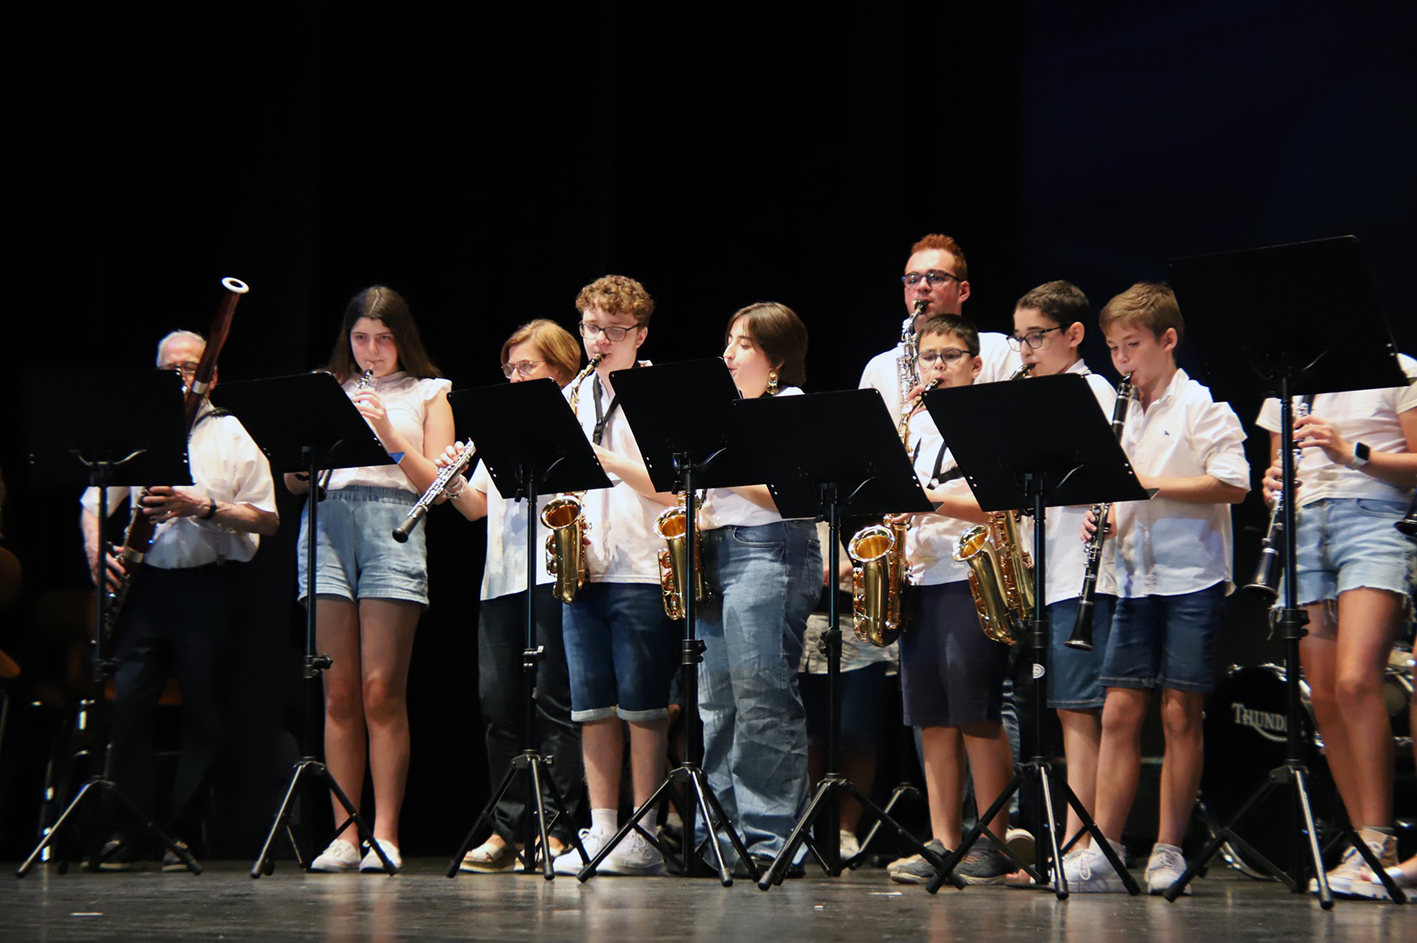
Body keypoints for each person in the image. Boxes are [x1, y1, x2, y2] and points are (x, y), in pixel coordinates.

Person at [1068, 283, 1250, 894]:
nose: (1122, 360)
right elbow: (1126, 493)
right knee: (1119, 711)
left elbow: (1233, 483)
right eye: (1114, 348)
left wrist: (1147, 485)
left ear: (1167, 340)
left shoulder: (1202, 407)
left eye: (1133, 346)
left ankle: (1170, 849)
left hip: (1191, 578)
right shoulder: (1120, 413)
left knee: (1179, 713)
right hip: (1131, 578)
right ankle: (1106, 848)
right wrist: (1108, 517)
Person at [81, 330, 279, 869]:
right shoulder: (137, 429)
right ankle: (125, 830)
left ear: (211, 377)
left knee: (203, 711)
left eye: (190, 367)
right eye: (169, 368)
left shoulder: (233, 433)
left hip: (207, 588)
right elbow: (94, 502)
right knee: (130, 708)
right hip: (145, 586)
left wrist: (204, 506)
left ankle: (181, 834)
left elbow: (267, 518)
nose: (180, 377)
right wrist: (97, 552)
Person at [290, 286, 454, 873]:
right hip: (327, 521)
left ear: (401, 339)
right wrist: (302, 444)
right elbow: (295, 482)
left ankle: (385, 834)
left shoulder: (428, 391)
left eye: (384, 338)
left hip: (393, 523)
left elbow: (437, 484)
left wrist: (386, 429)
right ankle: (344, 834)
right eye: (361, 338)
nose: (372, 350)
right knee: (337, 691)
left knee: (381, 689)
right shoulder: (328, 386)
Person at [1255, 355, 1417, 897]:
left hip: (1373, 519)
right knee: (1323, 695)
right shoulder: (1289, 382)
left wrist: (1350, 453)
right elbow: (1277, 473)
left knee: (1355, 681)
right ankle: (1362, 844)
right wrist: (1272, 484)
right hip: (1304, 527)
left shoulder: (1399, 369)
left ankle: (1380, 837)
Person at [437, 319, 586, 872]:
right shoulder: (498, 424)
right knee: (499, 707)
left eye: (527, 366)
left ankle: (558, 830)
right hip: (500, 580)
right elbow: (476, 506)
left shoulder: (578, 416)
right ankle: (510, 830)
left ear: (559, 369)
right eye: (511, 368)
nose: (516, 376)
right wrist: (454, 479)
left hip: (553, 573)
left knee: (555, 705)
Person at [550, 275, 678, 877]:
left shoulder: (658, 394)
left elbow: (674, 488)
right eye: (592, 328)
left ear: (640, 335)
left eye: (615, 330)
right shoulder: (572, 396)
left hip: (642, 566)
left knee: (644, 707)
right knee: (591, 706)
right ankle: (603, 828)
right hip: (584, 566)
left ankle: (645, 832)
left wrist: (603, 459)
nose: (600, 340)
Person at [887, 314, 1016, 886]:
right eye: (929, 357)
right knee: (932, 718)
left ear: (976, 364)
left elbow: (1000, 502)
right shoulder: (913, 421)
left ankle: (992, 840)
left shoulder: (987, 420)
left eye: (950, 356)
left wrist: (926, 500)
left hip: (971, 573)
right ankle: (943, 840)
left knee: (975, 712)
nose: (937, 366)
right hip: (920, 574)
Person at [696, 302, 822, 874]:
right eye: (728, 340)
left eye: (743, 344)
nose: (728, 353)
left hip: (768, 549)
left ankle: (771, 840)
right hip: (715, 550)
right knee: (717, 701)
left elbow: (791, 494)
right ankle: (722, 840)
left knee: (760, 694)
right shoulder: (723, 413)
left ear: (776, 359)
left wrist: (720, 467)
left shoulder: (790, 407)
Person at [1009, 281, 1118, 870]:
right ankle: (1068, 840)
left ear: (1074, 335)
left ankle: (1083, 843)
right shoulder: (1036, 396)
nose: (1025, 350)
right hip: (1047, 573)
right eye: (1020, 338)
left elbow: (1101, 480)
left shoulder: (1091, 394)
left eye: (1037, 337)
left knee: (1080, 710)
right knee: (1061, 710)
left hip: (1082, 575)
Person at [798, 524, 893, 862]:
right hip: (803, 622)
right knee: (807, 734)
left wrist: (850, 567)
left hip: (859, 622)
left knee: (856, 733)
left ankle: (846, 830)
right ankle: (807, 827)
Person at [859, 233, 1021, 429]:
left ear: (963, 291)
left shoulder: (1000, 350)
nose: (922, 287)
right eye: (912, 279)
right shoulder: (878, 368)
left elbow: (1018, 421)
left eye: (935, 278)